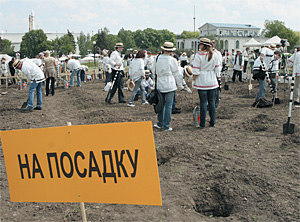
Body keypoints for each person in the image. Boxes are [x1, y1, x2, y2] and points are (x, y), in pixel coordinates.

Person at [152, 42, 183, 131]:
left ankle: (159, 123)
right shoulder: (172, 60)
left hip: (160, 83)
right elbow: (176, 72)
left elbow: (153, 70)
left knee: (160, 104)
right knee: (168, 105)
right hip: (169, 83)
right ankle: (166, 125)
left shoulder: (157, 58)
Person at [192, 38, 221, 128]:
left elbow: (196, 70)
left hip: (202, 81)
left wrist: (193, 80)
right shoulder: (215, 55)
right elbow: (217, 69)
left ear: (202, 45)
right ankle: (213, 122)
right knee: (212, 102)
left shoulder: (198, 55)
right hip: (212, 80)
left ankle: (202, 123)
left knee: (203, 103)